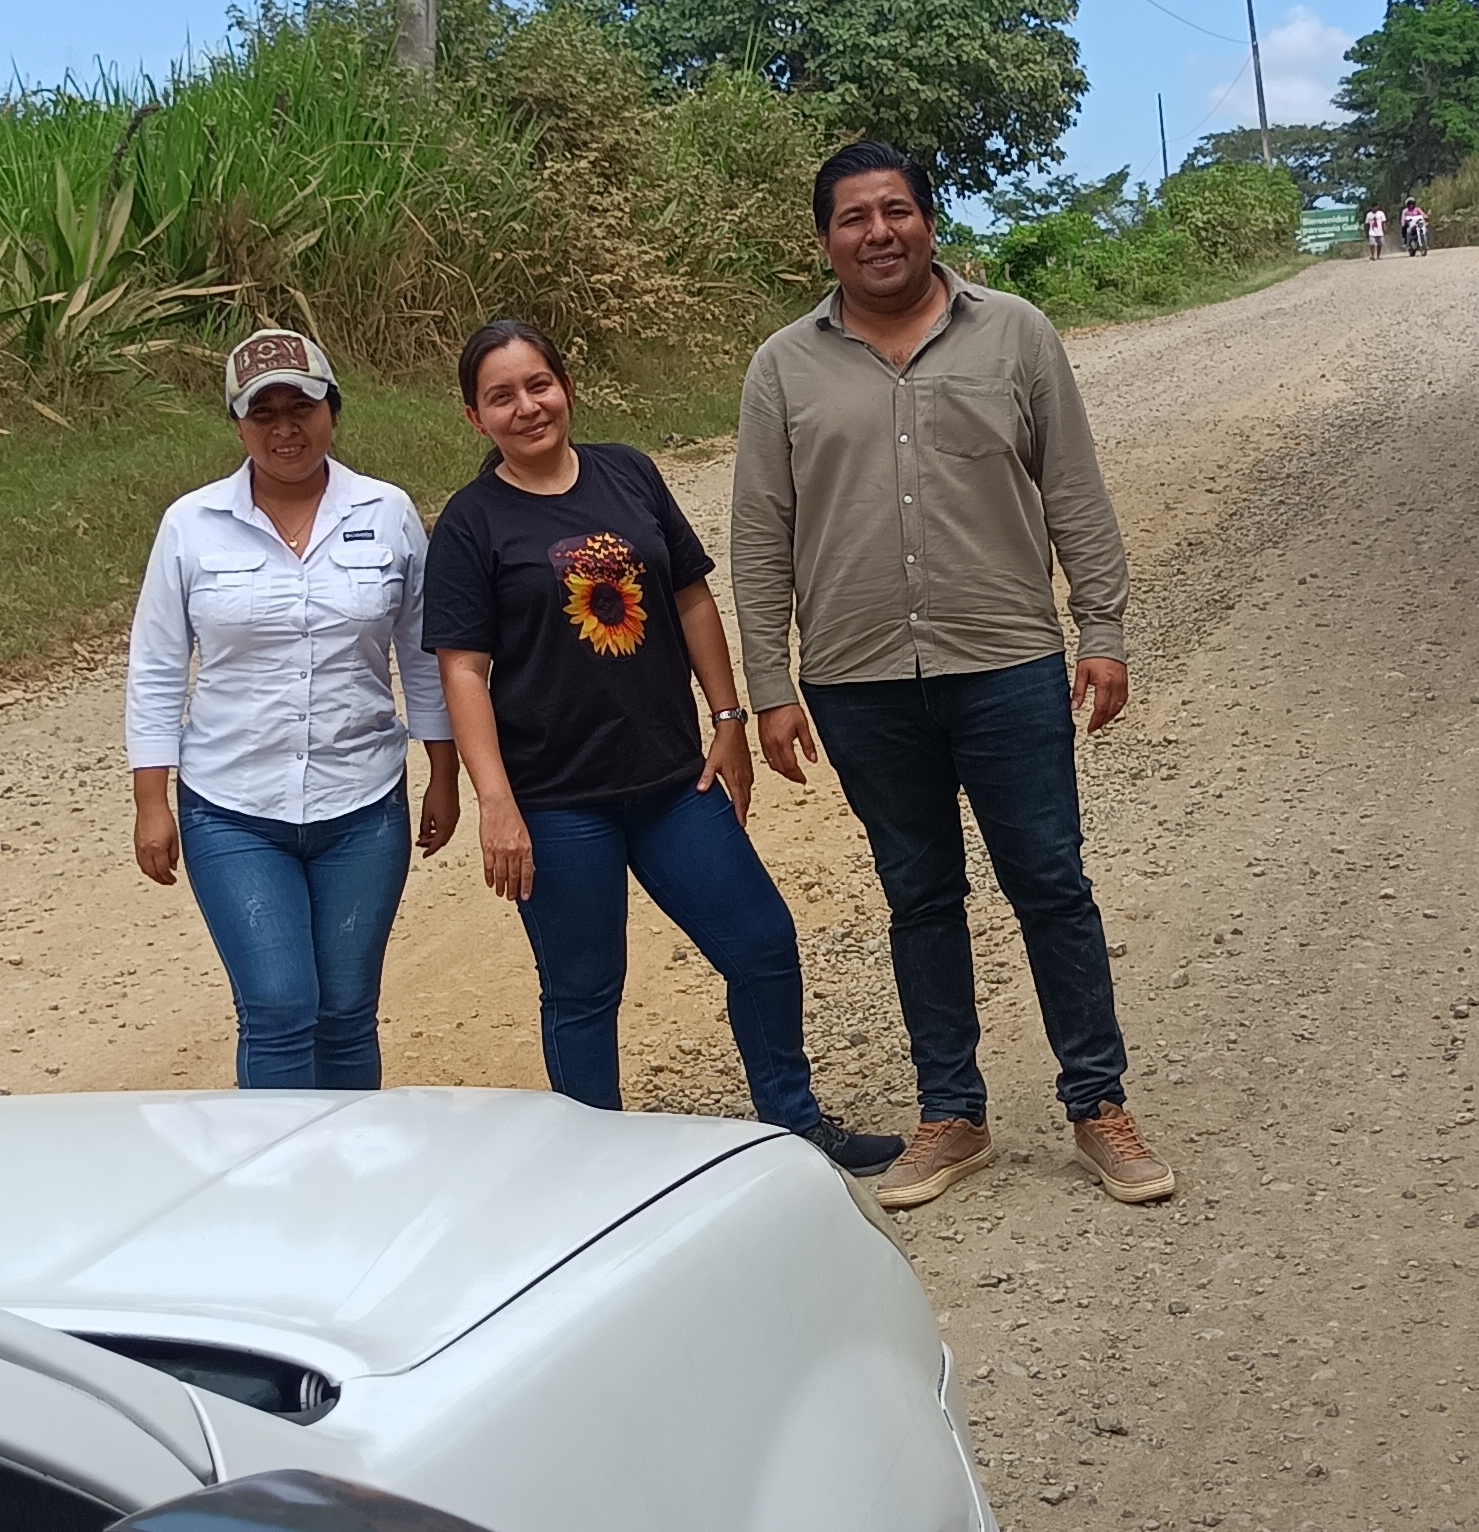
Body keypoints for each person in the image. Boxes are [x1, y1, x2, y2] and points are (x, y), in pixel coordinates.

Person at [731, 139, 1174, 1213]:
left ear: (929, 221)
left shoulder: (1016, 333)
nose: (877, 232)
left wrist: (1102, 628)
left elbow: (1074, 489)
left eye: (896, 210)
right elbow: (760, 534)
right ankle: (953, 1113)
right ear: (825, 240)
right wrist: (770, 684)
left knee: (1050, 883)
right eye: (853, 217)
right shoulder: (782, 367)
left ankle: (1097, 1103)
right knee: (917, 893)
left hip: (1007, 659)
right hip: (858, 678)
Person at [424, 315, 900, 1173]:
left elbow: (690, 598)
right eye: (501, 397)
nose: (527, 407)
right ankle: (592, 1171)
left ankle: (794, 1125)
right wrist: (495, 802)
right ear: (474, 417)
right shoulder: (469, 523)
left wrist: (729, 719)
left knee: (761, 944)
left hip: (673, 783)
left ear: (566, 386)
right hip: (556, 801)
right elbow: (462, 669)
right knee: (583, 990)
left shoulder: (628, 472)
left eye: (539, 385)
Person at [127, 326, 459, 1087]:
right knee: (278, 1006)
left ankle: (349, 1162)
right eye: (264, 413)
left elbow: (424, 654)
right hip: (232, 807)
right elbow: (156, 667)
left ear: (332, 410)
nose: (285, 429)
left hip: (362, 804)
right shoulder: (191, 526)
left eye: (302, 407)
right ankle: (280, 1166)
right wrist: (151, 802)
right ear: (238, 425)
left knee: (346, 1011)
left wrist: (443, 773)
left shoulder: (388, 511)